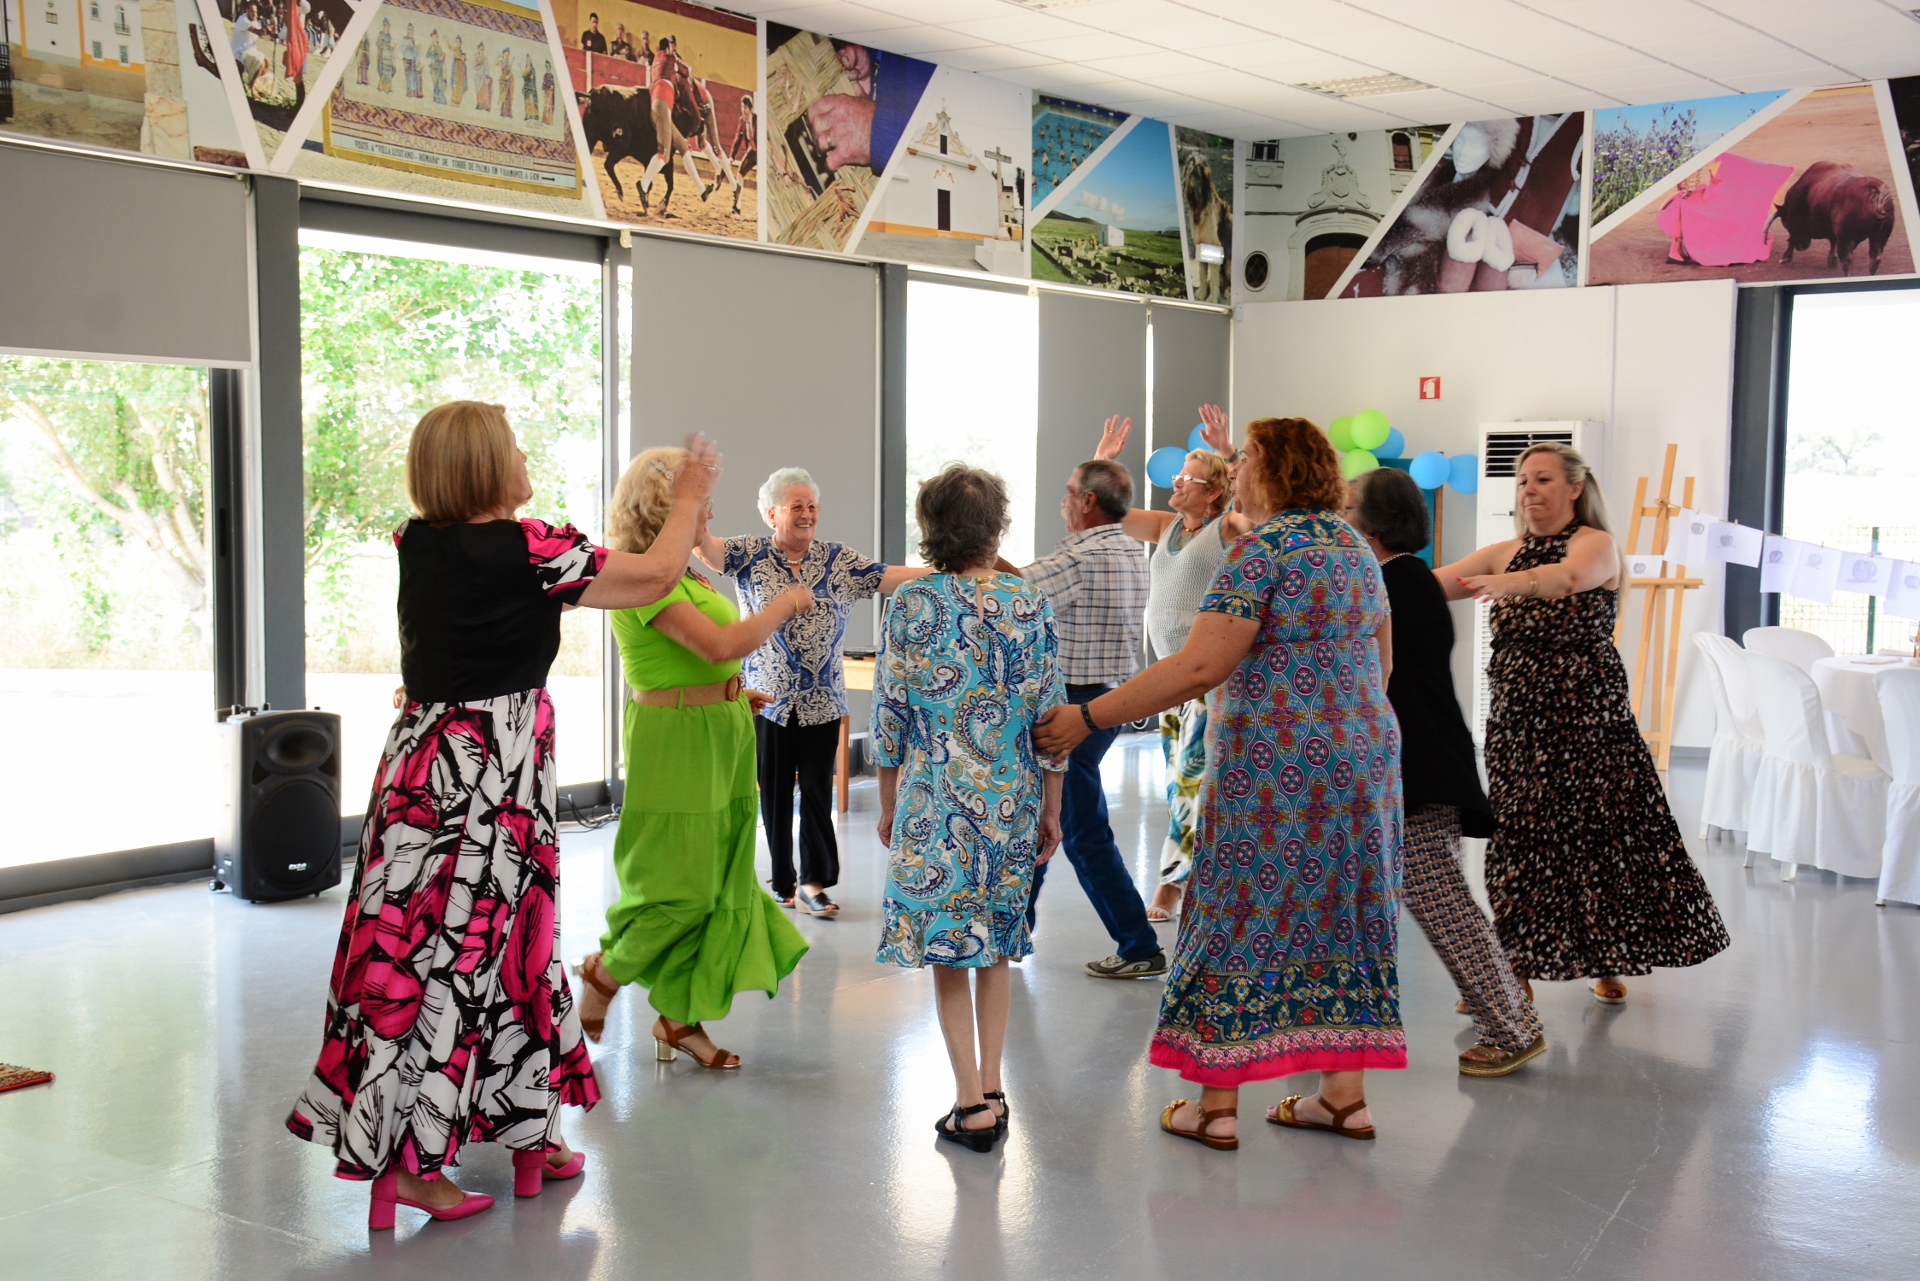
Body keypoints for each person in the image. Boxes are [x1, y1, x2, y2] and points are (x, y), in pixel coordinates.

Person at [286, 403, 721, 1228]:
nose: (526, 457)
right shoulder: (532, 550)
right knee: (482, 960)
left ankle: (523, 1135)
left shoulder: (419, 544)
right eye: (515, 447)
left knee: (427, 957)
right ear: (487, 467)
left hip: (421, 771)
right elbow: (657, 575)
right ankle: (420, 1164)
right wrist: (692, 496)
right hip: (492, 784)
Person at [1035, 417, 1404, 1150]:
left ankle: (1215, 1105)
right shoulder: (1356, 551)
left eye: (1248, 460)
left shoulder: (1259, 554)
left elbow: (1200, 666)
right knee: (1346, 914)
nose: (1236, 471)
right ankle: (1343, 1098)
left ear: (1274, 473)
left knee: (1237, 910)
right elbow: (1383, 664)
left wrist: (1088, 715)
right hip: (1363, 762)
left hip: (1274, 771)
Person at [1436, 443, 1728, 1004]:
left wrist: (1508, 584)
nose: (1529, 491)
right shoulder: (1505, 550)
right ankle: (1513, 968)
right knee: (1521, 841)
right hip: (1519, 725)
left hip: (1589, 723)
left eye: (1542, 479)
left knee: (1598, 839)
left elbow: (1568, 579)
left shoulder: (1596, 544)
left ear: (1574, 488)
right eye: (1523, 482)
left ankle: (1606, 957)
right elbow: (1431, 583)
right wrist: (1366, 571)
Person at [574, 448, 811, 1069]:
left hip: (721, 726)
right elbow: (718, 644)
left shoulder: (686, 570)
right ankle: (606, 972)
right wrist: (784, 603)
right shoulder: (640, 575)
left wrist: (733, 691)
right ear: (665, 503)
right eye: (699, 498)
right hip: (675, 738)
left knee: (723, 875)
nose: (709, 509)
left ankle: (679, 1019)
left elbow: (719, 663)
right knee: (678, 884)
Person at [873, 465, 1065, 1152]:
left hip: (937, 797)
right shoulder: (1028, 601)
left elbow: (891, 712)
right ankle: (994, 1085)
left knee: (951, 950)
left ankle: (969, 1103)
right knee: (997, 949)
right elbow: (1050, 713)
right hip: (1012, 797)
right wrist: (1053, 804)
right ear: (997, 527)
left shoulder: (912, 605)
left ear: (932, 529)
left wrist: (890, 800)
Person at [1349, 468, 1545, 1076]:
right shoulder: (1400, 578)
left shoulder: (1398, 581)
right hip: (1417, 761)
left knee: (1439, 898)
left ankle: (1512, 1028)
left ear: (1372, 522)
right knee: (1428, 896)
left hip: (1420, 766)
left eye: (1349, 507)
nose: (1341, 517)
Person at [697, 468, 929, 916]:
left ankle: (814, 882)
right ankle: (783, 879)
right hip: (768, 699)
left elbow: (890, 576)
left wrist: (951, 565)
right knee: (776, 793)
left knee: (820, 791)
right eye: (796, 506)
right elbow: (707, 550)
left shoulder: (838, 559)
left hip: (824, 699)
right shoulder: (751, 553)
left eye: (812, 507)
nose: (807, 515)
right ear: (771, 514)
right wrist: (695, 518)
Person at [1090, 403, 1249, 923]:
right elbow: (1104, 511)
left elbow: (1261, 508)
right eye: (1178, 475)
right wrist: (1102, 460)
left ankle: (1171, 887)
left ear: (1215, 491)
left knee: (1188, 782)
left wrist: (1229, 452)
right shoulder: (1165, 527)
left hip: (1208, 677)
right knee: (1183, 783)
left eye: (1190, 478)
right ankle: (1206, 881)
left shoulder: (1227, 528)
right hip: (1170, 681)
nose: (1177, 483)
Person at [1013, 457, 1163, 979]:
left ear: (1087, 502)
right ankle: (1017, 930)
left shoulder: (1080, 555)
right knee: (1045, 817)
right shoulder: (1130, 548)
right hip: (1110, 698)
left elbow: (1011, 590)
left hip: (1075, 708)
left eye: (1069, 491)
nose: (1063, 499)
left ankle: (1138, 944)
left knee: (1078, 830)